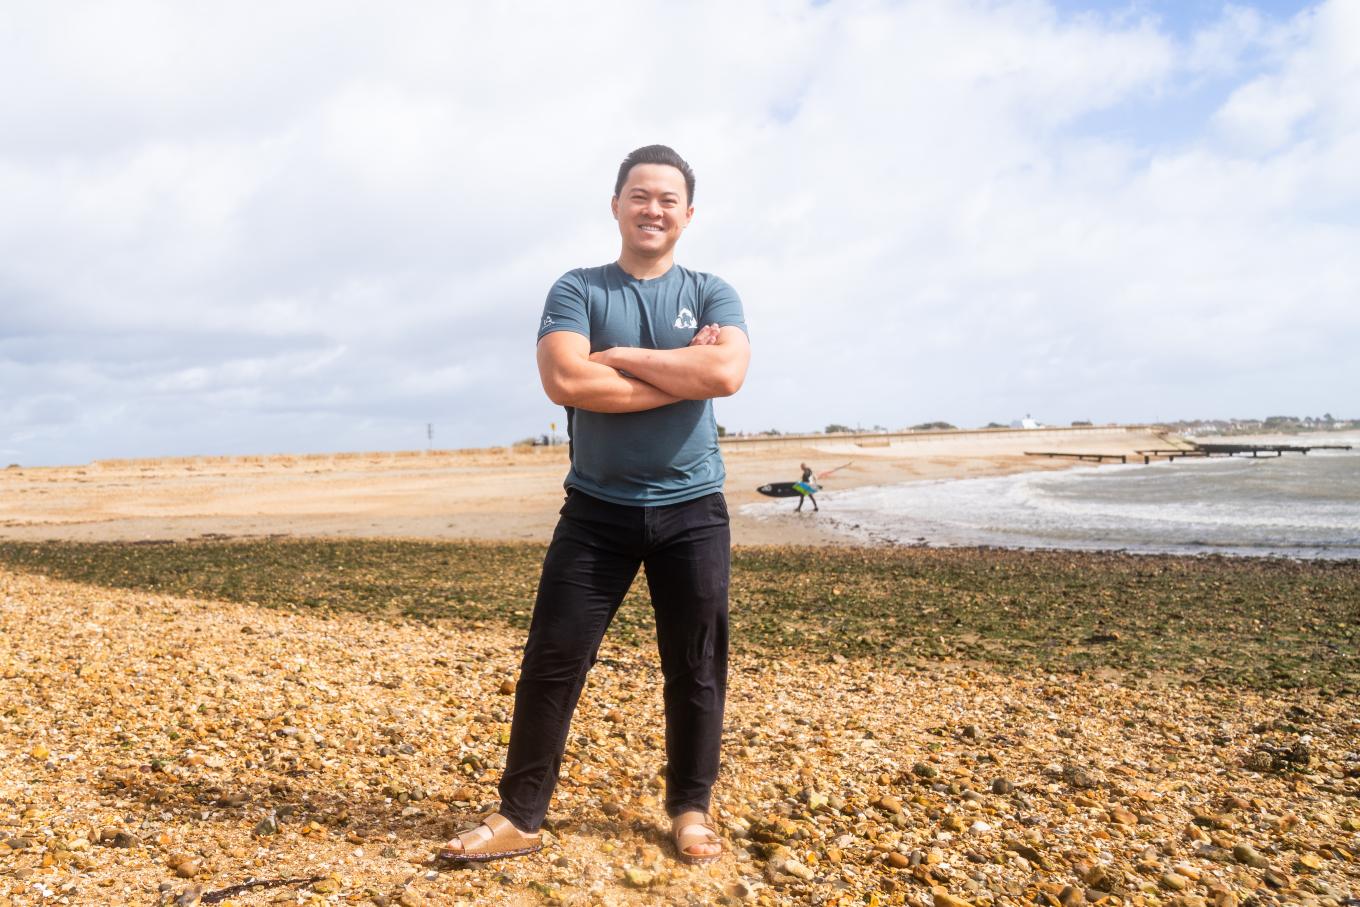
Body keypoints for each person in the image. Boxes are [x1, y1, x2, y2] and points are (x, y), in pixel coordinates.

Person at [438, 145, 750, 866]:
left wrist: (614, 356)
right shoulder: (578, 287)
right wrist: (681, 371)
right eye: (640, 196)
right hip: (596, 512)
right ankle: (519, 816)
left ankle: (690, 809)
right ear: (616, 205)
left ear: (688, 214)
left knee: (697, 666)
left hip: (692, 509)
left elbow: (726, 372)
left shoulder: (713, 293)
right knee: (552, 661)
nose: (652, 209)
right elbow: (564, 382)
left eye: (667, 200)